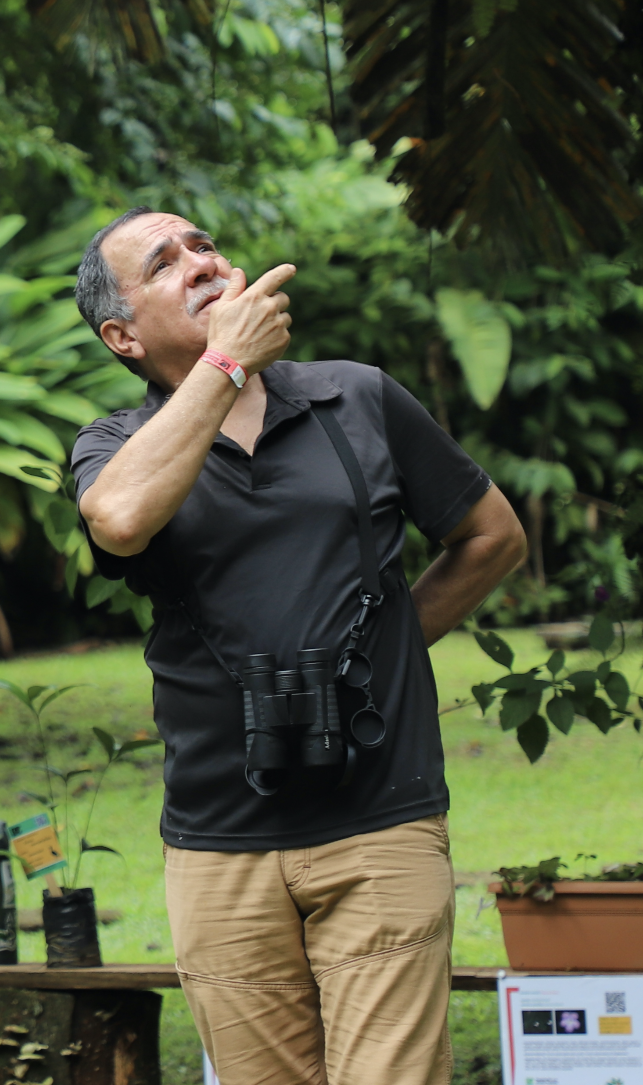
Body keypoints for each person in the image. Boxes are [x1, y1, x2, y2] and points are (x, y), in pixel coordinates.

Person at [68, 208, 526, 1085]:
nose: (201, 262)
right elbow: (120, 520)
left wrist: (384, 655)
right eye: (164, 263)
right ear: (122, 336)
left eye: (205, 245)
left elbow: (492, 537)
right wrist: (224, 364)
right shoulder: (115, 447)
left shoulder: (358, 398)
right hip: (218, 841)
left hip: (382, 818)